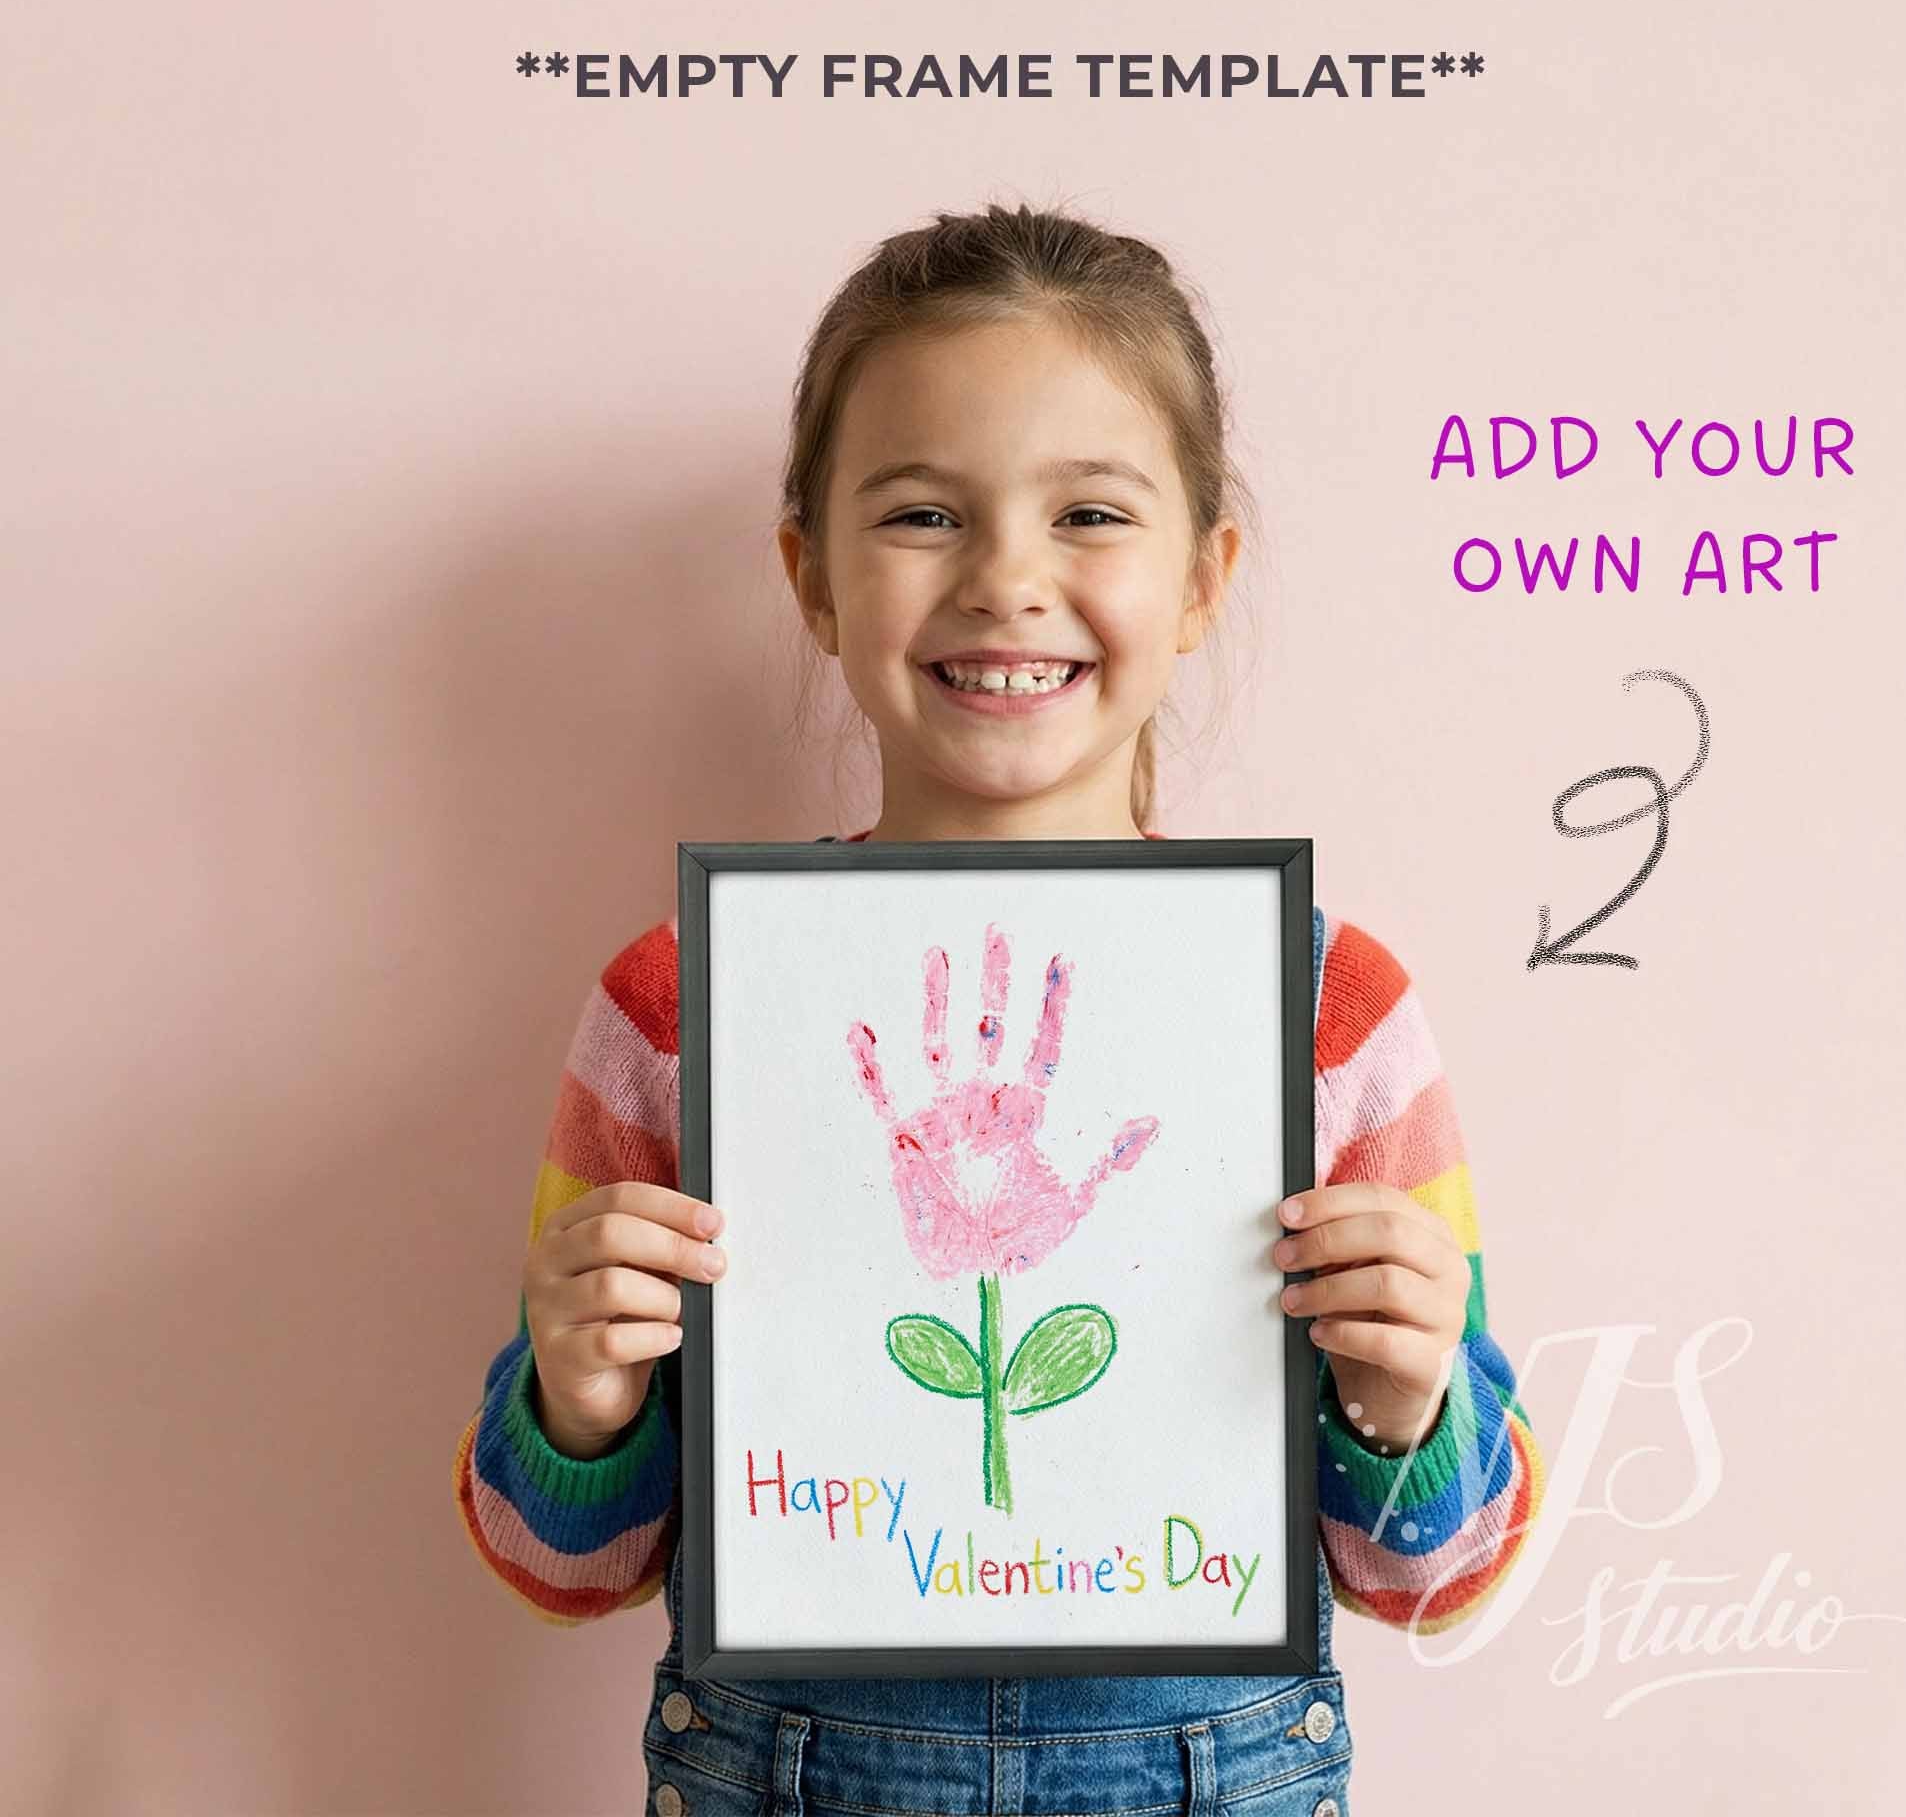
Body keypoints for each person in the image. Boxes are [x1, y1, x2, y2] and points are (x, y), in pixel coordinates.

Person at [453, 201, 1547, 1816]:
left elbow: (1444, 1582)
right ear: (811, 577)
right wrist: (580, 1396)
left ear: (1201, 578)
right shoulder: (679, 1000)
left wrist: (1407, 1396)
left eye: (1091, 511)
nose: (1009, 581)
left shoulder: (1329, 1006)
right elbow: (560, 1570)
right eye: (920, 515)